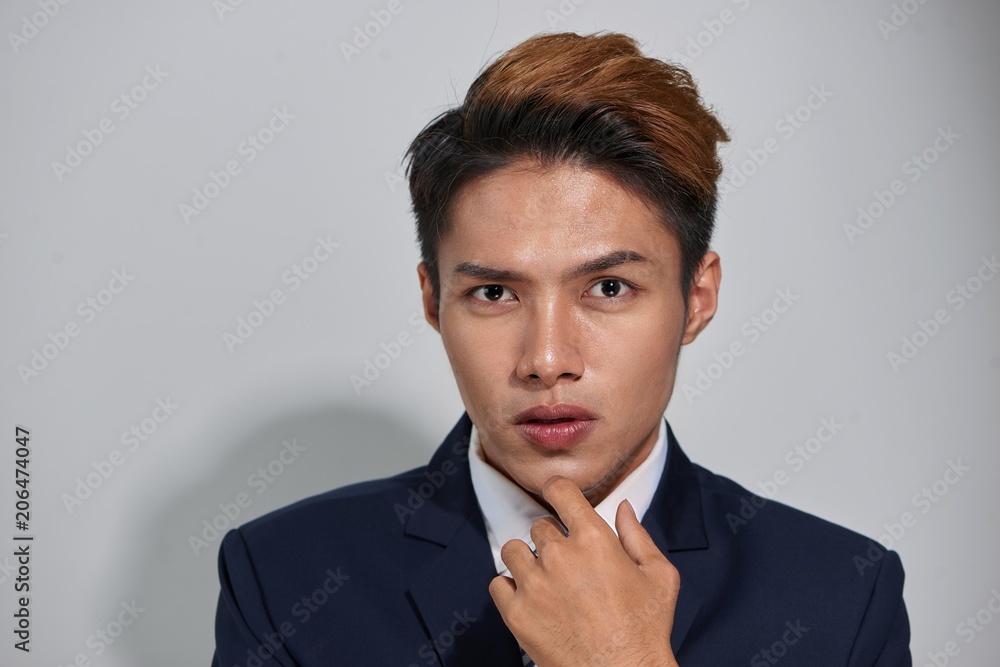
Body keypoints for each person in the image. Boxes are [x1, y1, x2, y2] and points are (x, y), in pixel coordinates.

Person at [211, 31, 911, 666]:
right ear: (432, 301)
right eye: (494, 293)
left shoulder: (841, 596)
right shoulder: (284, 575)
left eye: (608, 287)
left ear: (697, 298)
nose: (547, 359)